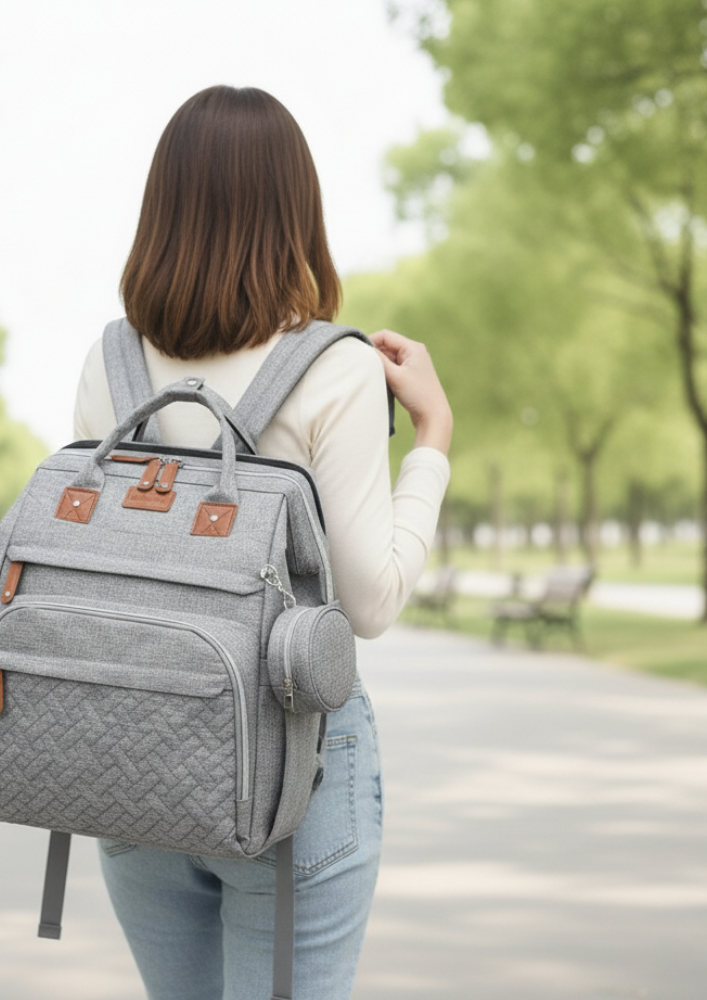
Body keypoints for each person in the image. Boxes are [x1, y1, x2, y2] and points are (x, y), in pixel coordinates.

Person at [73, 85, 451, 1000]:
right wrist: (431, 441)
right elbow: (369, 603)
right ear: (297, 212)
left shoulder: (111, 361)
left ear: (161, 214)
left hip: (138, 768)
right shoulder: (336, 366)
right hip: (296, 774)